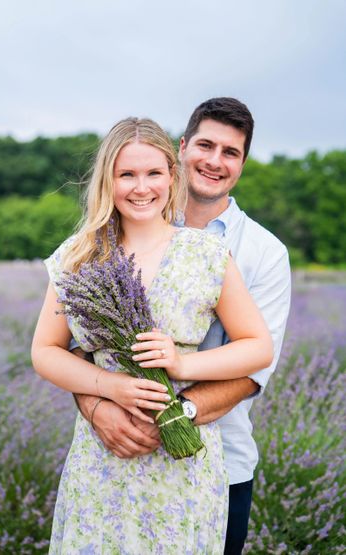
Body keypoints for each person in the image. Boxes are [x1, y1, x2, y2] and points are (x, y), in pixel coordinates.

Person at [31, 116, 273, 553]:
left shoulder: (206, 253)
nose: (141, 187)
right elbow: (45, 351)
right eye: (127, 174)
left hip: (183, 469)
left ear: (172, 175)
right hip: (102, 459)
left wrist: (181, 363)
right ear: (108, 179)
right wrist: (111, 388)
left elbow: (258, 347)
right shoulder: (78, 254)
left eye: (153, 173)